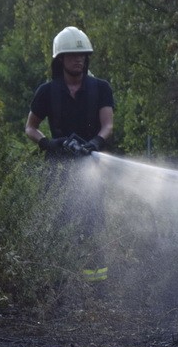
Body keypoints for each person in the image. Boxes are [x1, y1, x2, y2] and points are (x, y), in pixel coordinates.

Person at [25, 26, 115, 288]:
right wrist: (50, 143)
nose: (79, 60)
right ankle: (58, 282)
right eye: (73, 55)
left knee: (93, 224)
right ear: (60, 59)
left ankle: (96, 284)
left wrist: (94, 143)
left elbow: (107, 125)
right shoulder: (47, 92)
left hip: (91, 167)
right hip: (58, 170)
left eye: (83, 55)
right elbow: (30, 127)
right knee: (57, 224)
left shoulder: (100, 89)